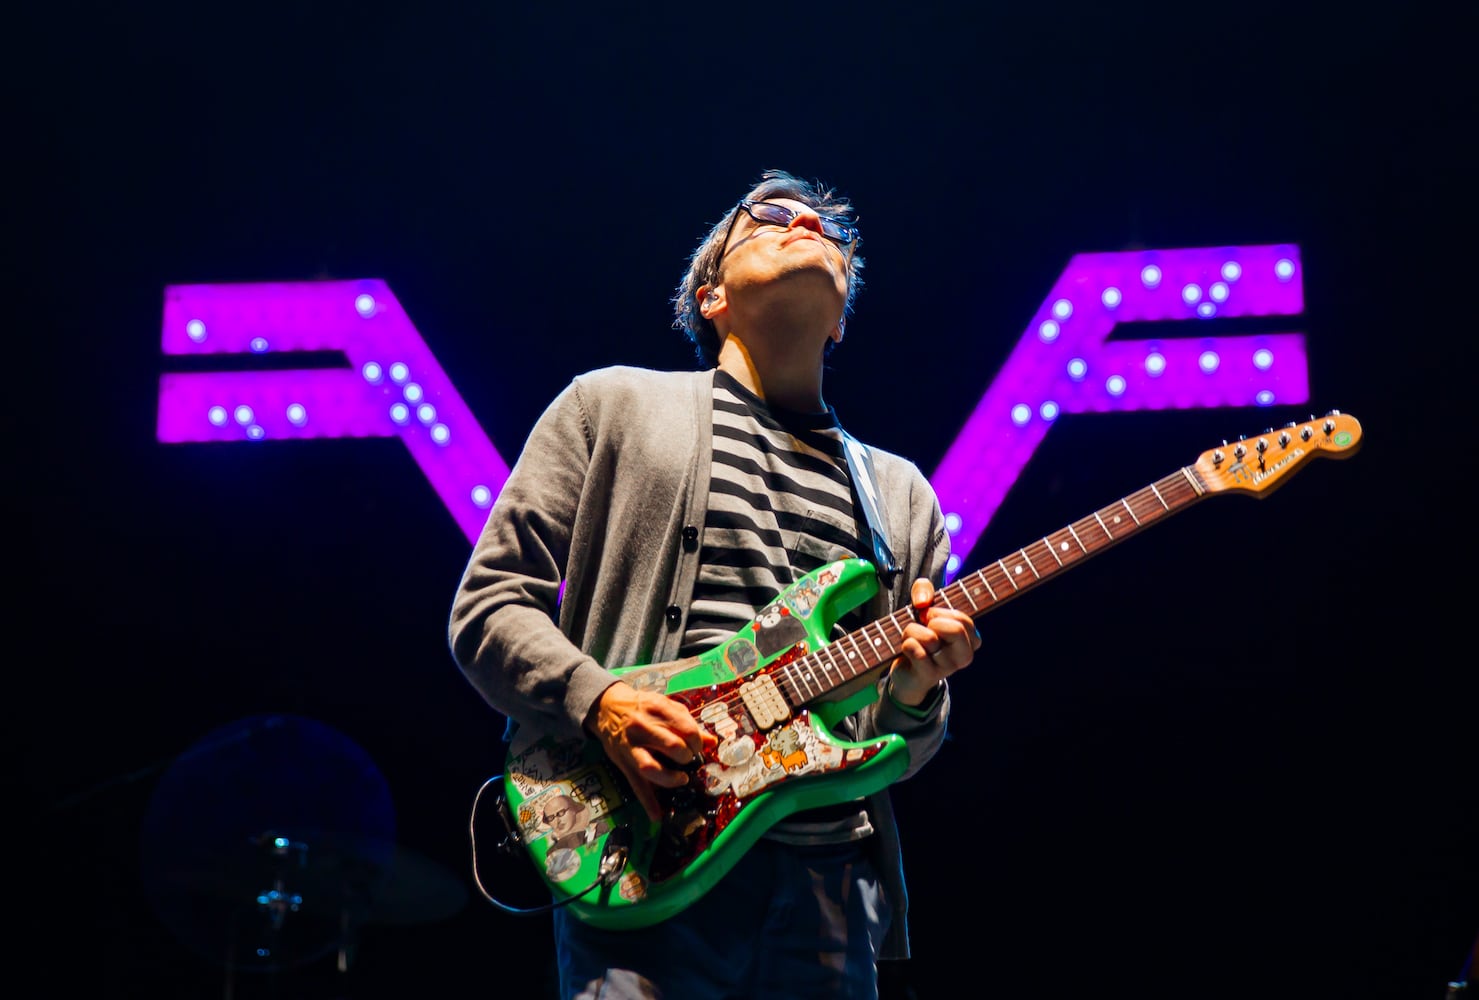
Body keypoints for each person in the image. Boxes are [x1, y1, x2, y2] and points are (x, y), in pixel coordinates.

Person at [448, 168, 981, 999]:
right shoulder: (611, 406)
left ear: (838, 320)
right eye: (768, 214)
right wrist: (600, 701)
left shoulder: (902, 496)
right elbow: (488, 608)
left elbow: (893, 742)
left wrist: (916, 692)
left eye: (826, 227)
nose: (804, 220)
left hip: (827, 896)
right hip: (643, 853)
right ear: (710, 296)